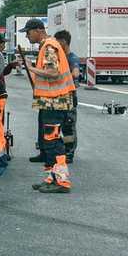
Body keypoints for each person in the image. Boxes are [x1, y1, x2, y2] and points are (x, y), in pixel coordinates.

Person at [19, 18, 75, 193]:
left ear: (38, 30)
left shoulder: (50, 46)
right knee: (49, 141)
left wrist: (31, 68)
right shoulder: (48, 45)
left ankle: (61, 182)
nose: (27, 36)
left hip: (55, 102)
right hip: (52, 102)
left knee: (53, 142)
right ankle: (52, 178)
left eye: (28, 32)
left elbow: (53, 72)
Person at [54, 29, 80, 162]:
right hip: (59, 95)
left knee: (68, 126)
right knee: (59, 124)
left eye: (58, 43)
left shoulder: (72, 58)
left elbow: (75, 73)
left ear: (63, 42)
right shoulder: (59, 57)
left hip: (69, 96)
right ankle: (61, 150)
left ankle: (69, 153)